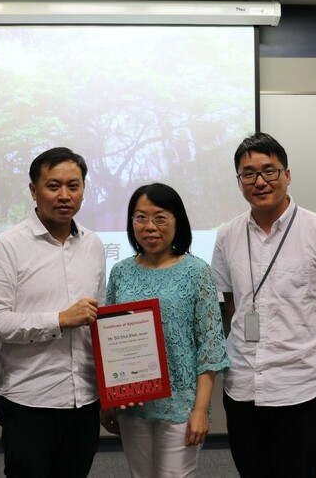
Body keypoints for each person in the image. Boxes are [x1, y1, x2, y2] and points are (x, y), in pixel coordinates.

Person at [211, 132, 316, 477]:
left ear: (287, 175)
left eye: (269, 171)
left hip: (302, 385)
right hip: (243, 385)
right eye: (249, 174)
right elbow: (229, 304)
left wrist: (309, 345)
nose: (259, 181)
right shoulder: (227, 234)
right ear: (239, 181)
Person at [0, 147, 107, 478]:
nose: (64, 195)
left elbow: (99, 320)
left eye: (73, 185)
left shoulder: (93, 245)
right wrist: (58, 320)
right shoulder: (8, 246)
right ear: (34, 191)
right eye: (53, 186)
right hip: (29, 401)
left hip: (85, 400)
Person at [100, 182, 229, 478]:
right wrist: (109, 402)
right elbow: (110, 341)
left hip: (182, 404)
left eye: (160, 217)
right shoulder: (120, 272)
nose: (150, 227)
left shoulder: (197, 272)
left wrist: (200, 410)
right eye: (140, 217)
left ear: (177, 221)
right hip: (133, 402)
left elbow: (209, 347)